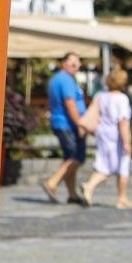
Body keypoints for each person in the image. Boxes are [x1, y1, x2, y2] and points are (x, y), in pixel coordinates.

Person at [80, 68, 132, 208]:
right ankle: (122, 198)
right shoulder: (122, 99)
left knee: (104, 163)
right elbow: (122, 122)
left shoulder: (101, 96)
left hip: (102, 133)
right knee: (122, 166)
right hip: (116, 136)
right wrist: (127, 142)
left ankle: (89, 186)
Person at [41, 52, 88, 204]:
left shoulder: (56, 79)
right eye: (73, 64)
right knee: (76, 157)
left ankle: (72, 194)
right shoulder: (66, 80)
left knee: (70, 157)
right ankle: (52, 182)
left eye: (78, 64)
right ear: (64, 63)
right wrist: (80, 123)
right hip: (67, 123)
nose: (77, 67)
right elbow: (70, 104)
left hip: (61, 122)